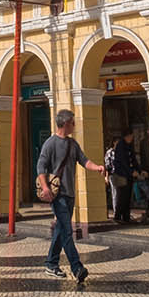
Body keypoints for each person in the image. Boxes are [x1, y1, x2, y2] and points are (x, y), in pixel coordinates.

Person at [36, 108, 105, 285]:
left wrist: (96, 167)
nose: (74, 125)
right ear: (66, 124)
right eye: (73, 122)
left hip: (70, 194)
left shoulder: (72, 144)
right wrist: (45, 188)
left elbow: (84, 160)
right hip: (57, 196)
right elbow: (41, 168)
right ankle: (77, 268)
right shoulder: (50, 144)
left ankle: (51, 264)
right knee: (67, 230)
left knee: (61, 229)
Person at [109, 130, 137, 225]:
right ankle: (118, 216)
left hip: (128, 175)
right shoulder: (121, 146)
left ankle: (126, 216)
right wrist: (131, 171)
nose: (132, 138)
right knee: (122, 196)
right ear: (126, 136)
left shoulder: (129, 146)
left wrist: (138, 170)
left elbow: (133, 159)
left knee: (127, 196)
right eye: (131, 136)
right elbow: (123, 162)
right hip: (121, 175)